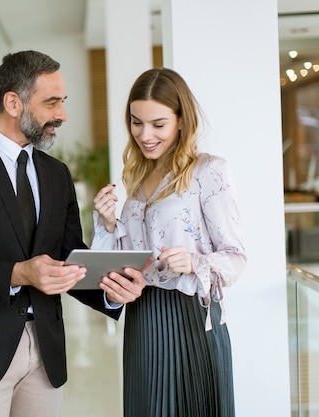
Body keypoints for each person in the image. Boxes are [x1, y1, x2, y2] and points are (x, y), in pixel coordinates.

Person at [0, 50, 146, 417]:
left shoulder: (57, 174)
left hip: (45, 352)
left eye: (63, 102)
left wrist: (114, 289)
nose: (62, 114)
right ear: (13, 102)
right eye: (52, 102)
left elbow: (70, 259)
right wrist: (19, 273)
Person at [91, 68, 247, 417]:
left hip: (191, 317)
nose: (145, 134)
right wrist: (107, 224)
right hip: (144, 319)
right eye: (136, 122)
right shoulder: (137, 178)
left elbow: (236, 258)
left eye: (158, 124)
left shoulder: (209, 171)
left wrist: (195, 262)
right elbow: (129, 263)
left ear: (181, 120)